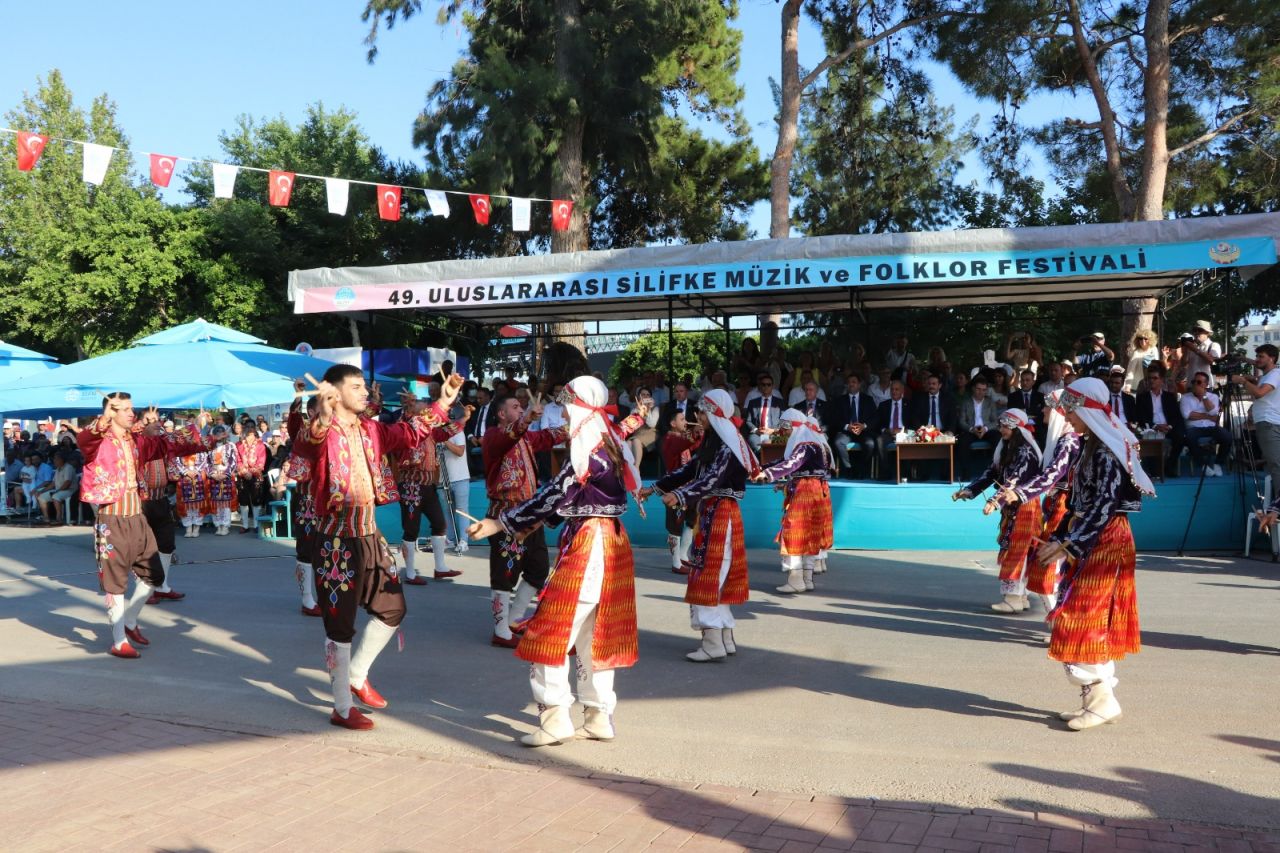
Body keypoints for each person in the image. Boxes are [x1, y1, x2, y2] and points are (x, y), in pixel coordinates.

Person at [468, 376, 642, 746]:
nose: (562, 411)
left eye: (566, 404)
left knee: (550, 630)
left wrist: (502, 521)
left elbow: (554, 492)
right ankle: (597, 716)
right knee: (593, 634)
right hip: (610, 542)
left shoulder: (588, 451)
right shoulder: (607, 443)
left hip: (588, 544)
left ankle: (555, 718)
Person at [292, 366, 463, 731]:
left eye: (364, 387)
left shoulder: (372, 428)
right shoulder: (320, 431)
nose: (365, 393)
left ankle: (356, 674)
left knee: (392, 609)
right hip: (335, 541)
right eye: (356, 388)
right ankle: (340, 706)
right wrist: (321, 415)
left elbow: (411, 431)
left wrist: (444, 401)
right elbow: (305, 443)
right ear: (335, 394)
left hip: (370, 536)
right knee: (340, 626)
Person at [1035, 378, 1155, 730]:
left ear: (1087, 409)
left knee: (1080, 616)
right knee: (1083, 615)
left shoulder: (1104, 451)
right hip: (1093, 539)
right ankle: (1098, 698)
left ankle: (1102, 699)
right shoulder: (1093, 446)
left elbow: (1103, 506)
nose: (1067, 417)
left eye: (1071, 410)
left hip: (1105, 541)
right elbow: (1077, 503)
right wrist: (1058, 537)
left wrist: (1068, 544)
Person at [77, 393, 210, 658]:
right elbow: (85, 439)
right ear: (110, 412)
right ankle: (118, 641)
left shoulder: (136, 441)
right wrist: (104, 418)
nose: (131, 413)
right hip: (112, 519)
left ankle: (129, 620)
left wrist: (195, 426)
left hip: (138, 518)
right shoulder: (97, 441)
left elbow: (167, 444)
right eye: (124, 409)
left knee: (154, 575)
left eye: (131, 408)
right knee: (115, 583)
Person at [644, 389, 760, 662]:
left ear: (715, 413)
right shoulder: (716, 442)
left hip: (720, 513)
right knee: (716, 575)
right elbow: (690, 471)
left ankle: (712, 644)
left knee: (708, 575)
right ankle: (725, 639)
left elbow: (711, 481)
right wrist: (657, 487)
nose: (698, 416)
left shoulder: (727, 446)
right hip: (714, 512)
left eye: (703, 411)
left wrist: (681, 495)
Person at [482, 392, 570, 648]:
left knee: (538, 569)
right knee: (504, 573)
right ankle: (500, 630)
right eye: (515, 407)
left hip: (530, 513)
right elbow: (510, 436)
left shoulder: (527, 438)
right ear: (501, 414)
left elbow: (550, 436)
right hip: (505, 515)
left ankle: (513, 619)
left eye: (522, 408)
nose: (521, 410)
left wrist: (580, 422)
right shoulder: (493, 437)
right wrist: (528, 418)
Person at [993, 391, 1080, 613]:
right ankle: (1055, 621)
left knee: (1048, 565)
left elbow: (1052, 474)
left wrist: (1020, 494)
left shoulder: (1069, 442)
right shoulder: (1063, 441)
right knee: (1044, 564)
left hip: (1063, 510)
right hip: (1055, 507)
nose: (1043, 410)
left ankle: (1059, 622)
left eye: (1047, 407)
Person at [953, 409, 1044, 613]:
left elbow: (1014, 480)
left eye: (1005, 426)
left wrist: (994, 502)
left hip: (1024, 506)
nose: (1001, 429)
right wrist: (969, 490)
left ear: (1016, 428)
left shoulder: (1026, 452)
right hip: (1011, 506)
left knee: (1018, 549)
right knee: (1017, 548)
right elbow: (991, 473)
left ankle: (1013, 597)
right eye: (1001, 425)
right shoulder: (1007, 448)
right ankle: (1019, 597)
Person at [752, 409, 833, 595]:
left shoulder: (805, 446)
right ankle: (806, 578)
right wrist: (759, 468)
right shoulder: (814, 444)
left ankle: (796, 580)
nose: (784, 434)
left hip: (806, 493)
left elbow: (790, 464)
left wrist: (767, 474)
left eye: (786, 429)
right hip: (815, 491)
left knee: (794, 533)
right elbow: (786, 461)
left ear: (793, 426)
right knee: (810, 534)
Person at [392, 394, 464, 585]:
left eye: (427, 408)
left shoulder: (430, 430)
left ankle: (440, 567)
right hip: (410, 486)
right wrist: (408, 407)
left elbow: (446, 432)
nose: (427, 411)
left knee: (440, 524)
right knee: (411, 530)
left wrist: (464, 419)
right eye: (423, 407)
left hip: (427, 485)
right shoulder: (406, 425)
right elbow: (404, 422)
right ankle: (410, 573)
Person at [136, 411, 184, 604]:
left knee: (166, 544)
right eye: (151, 420)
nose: (157, 424)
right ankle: (145, 590)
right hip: (142, 502)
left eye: (158, 420)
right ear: (141, 423)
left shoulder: (162, 442)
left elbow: (181, 445)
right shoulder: (136, 443)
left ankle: (161, 586)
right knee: (143, 548)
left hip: (160, 499)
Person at [284, 386, 322, 617]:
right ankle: (307, 600)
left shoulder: (334, 431)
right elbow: (294, 420)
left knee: (328, 549)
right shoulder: (302, 430)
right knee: (307, 549)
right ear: (311, 411)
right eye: (323, 409)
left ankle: (327, 595)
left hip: (328, 499)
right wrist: (298, 395)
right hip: (307, 498)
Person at [659, 409, 699, 572]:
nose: (686, 422)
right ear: (673, 423)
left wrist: (702, 434)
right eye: (682, 419)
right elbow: (686, 444)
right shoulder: (669, 439)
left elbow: (696, 445)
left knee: (690, 522)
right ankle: (676, 563)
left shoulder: (682, 438)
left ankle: (683, 556)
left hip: (688, 487)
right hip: (674, 489)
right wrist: (696, 433)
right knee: (674, 525)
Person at [1237, 344, 1280, 494]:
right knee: (1274, 464)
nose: (1257, 359)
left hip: (1269, 423)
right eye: (1257, 356)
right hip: (1268, 423)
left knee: (1275, 465)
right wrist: (1253, 380)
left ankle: (1277, 507)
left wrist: (1243, 382)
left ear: (1272, 358)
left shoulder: (1274, 373)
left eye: (1261, 356)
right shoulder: (1267, 376)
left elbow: (1260, 393)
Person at [1134, 364, 1185, 477]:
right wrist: (1155, 426)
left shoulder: (1169, 397)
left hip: (1167, 428)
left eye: (1155, 378)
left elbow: (1176, 416)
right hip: (1151, 428)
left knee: (1180, 437)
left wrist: (1169, 426)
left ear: (1161, 380)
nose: (1151, 381)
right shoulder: (1143, 397)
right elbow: (1141, 417)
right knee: (1147, 437)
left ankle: (1169, 466)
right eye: (1150, 378)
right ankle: (1154, 469)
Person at [1180, 372, 1231, 477]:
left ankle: (1218, 463)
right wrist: (1208, 416)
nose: (1195, 384)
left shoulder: (1213, 397)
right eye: (1194, 382)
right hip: (1193, 427)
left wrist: (1204, 396)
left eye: (1199, 382)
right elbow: (1187, 415)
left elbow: (1213, 413)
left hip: (1211, 427)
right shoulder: (1185, 397)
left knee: (1227, 436)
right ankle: (1203, 465)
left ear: (1206, 384)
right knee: (1189, 438)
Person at [830, 373, 877, 480]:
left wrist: (863, 426)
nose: (851, 384)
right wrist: (847, 426)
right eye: (849, 382)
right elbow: (834, 419)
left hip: (863, 431)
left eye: (854, 382)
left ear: (859, 384)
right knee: (838, 442)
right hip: (847, 431)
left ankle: (861, 469)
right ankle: (849, 468)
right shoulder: (840, 400)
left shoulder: (868, 399)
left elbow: (875, 418)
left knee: (870, 444)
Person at [440, 406, 473, 554]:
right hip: (443, 479)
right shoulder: (436, 434)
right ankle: (450, 539)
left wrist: (444, 441)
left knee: (461, 510)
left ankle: (464, 541)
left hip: (460, 478)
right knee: (447, 511)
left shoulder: (457, 432)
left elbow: (460, 451)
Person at [956, 376, 1001, 479]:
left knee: (998, 438)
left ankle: (995, 471)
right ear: (973, 389)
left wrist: (985, 428)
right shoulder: (966, 402)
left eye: (984, 390)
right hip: (971, 430)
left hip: (987, 430)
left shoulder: (990, 402)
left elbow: (995, 421)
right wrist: (972, 429)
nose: (981, 392)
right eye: (978, 389)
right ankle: (965, 473)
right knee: (962, 441)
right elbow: (961, 421)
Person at [203, 426, 238, 534]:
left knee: (225, 503)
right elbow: (206, 462)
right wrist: (212, 474)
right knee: (215, 502)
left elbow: (233, 461)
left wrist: (225, 474)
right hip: (214, 476)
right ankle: (218, 525)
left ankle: (226, 525)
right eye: (216, 433)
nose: (219, 435)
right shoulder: (209, 447)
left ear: (225, 434)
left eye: (221, 433)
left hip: (225, 476)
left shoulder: (230, 446)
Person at [235, 425, 269, 535]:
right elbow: (238, 460)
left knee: (256, 501)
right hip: (243, 475)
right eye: (248, 435)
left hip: (256, 475)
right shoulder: (239, 445)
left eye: (252, 435)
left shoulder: (261, 446)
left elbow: (261, 461)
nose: (250, 437)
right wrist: (244, 472)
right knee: (243, 501)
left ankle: (256, 525)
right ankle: (245, 525)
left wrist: (252, 472)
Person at [875, 380, 910, 480]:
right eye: (892, 389)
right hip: (888, 433)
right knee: (879, 440)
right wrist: (887, 430)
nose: (894, 392)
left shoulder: (909, 404)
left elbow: (913, 422)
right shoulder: (883, 405)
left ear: (902, 391)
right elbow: (877, 423)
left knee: (908, 441)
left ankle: (905, 474)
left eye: (897, 389)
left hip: (905, 433)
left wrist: (903, 431)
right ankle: (886, 473)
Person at [742, 372, 784, 452]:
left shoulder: (780, 402)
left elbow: (784, 421)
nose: (766, 387)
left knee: (777, 445)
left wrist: (773, 430)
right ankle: (762, 460)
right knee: (756, 444)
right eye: (763, 384)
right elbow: (748, 421)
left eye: (768, 384)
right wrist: (756, 430)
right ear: (760, 386)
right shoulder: (753, 402)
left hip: (774, 433)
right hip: (758, 434)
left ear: (772, 386)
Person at [171, 446, 208, 537]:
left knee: (198, 505)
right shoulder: (179, 449)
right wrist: (185, 472)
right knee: (185, 505)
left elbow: (205, 461)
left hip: (198, 477)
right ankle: (188, 528)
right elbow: (176, 461)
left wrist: (196, 471)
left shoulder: (200, 449)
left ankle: (196, 527)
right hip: (184, 478)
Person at [36, 450, 77, 525]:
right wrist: (42, 491)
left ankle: (59, 518)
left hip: (69, 490)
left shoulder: (68, 468)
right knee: (41, 497)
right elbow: (53, 483)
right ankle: (46, 517)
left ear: (61, 459)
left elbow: (67, 483)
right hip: (59, 490)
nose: (54, 460)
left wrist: (57, 491)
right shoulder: (58, 469)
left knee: (55, 496)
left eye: (56, 459)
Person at [1182, 320, 1221, 389]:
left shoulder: (1213, 345)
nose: (1196, 333)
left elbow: (1213, 362)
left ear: (1207, 333)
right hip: (1191, 386)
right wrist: (1185, 351)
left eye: (1199, 330)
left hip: (1205, 387)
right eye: (1194, 330)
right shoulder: (1192, 346)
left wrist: (1196, 350)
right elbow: (1183, 364)